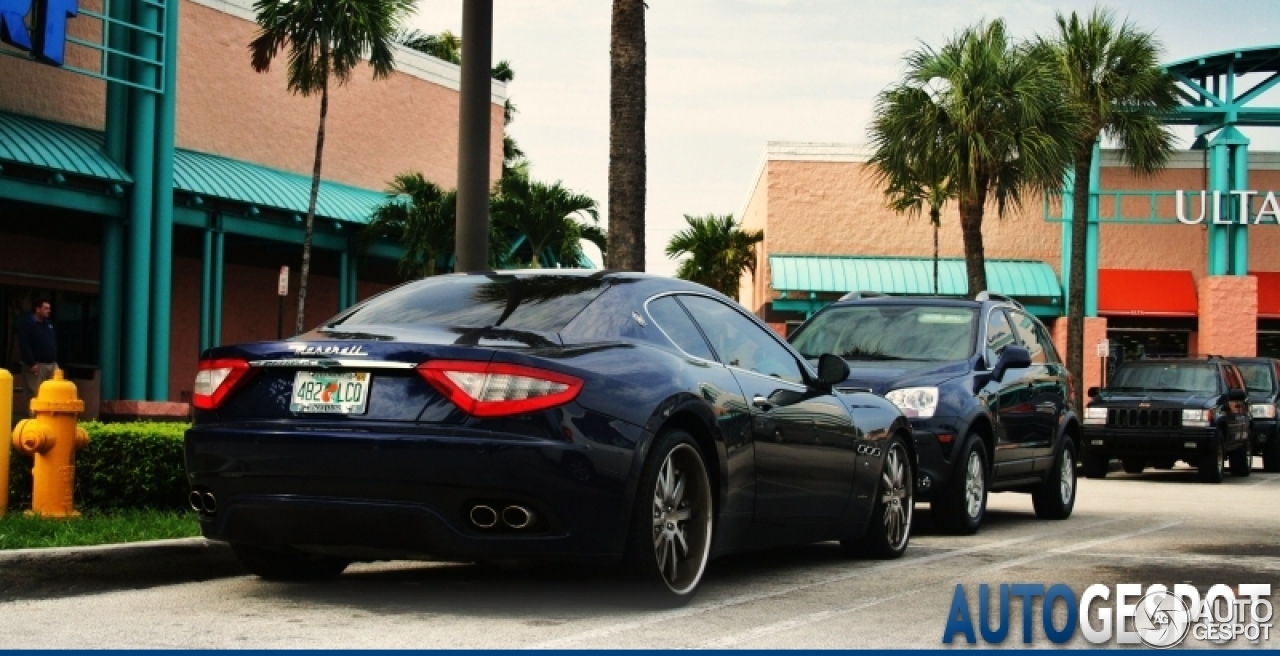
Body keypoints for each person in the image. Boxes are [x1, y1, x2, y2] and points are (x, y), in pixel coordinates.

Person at [16, 299, 57, 396]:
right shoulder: (27, 324)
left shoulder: (48, 324)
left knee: (54, 393)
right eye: (46, 308)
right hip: (37, 365)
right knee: (36, 393)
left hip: (52, 365)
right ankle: (34, 412)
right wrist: (31, 363)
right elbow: (24, 345)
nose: (48, 311)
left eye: (49, 308)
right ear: (38, 309)